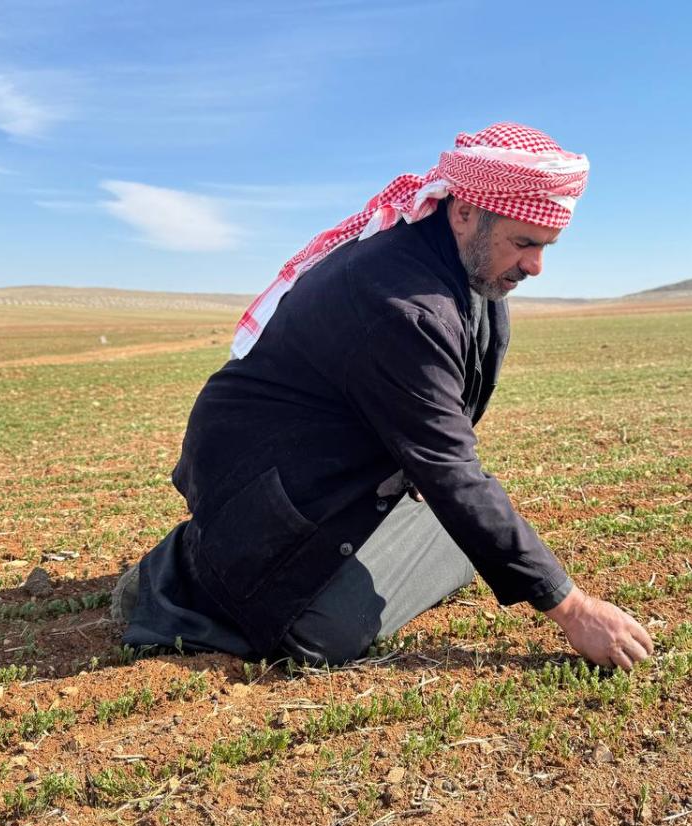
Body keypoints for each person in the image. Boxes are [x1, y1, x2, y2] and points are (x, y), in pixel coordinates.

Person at [114, 122, 654, 671]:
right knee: (320, 637)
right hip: (265, 476)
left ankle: (239, 561)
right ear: (465, 211)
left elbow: (445, 431)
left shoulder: (466, 273)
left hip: (327, 469)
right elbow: (448, 466)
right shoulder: (401, 300)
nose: (536, 266)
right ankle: (179, 575)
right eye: (524, 243)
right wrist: (573, 608)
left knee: (461, 539)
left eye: (545, 247)